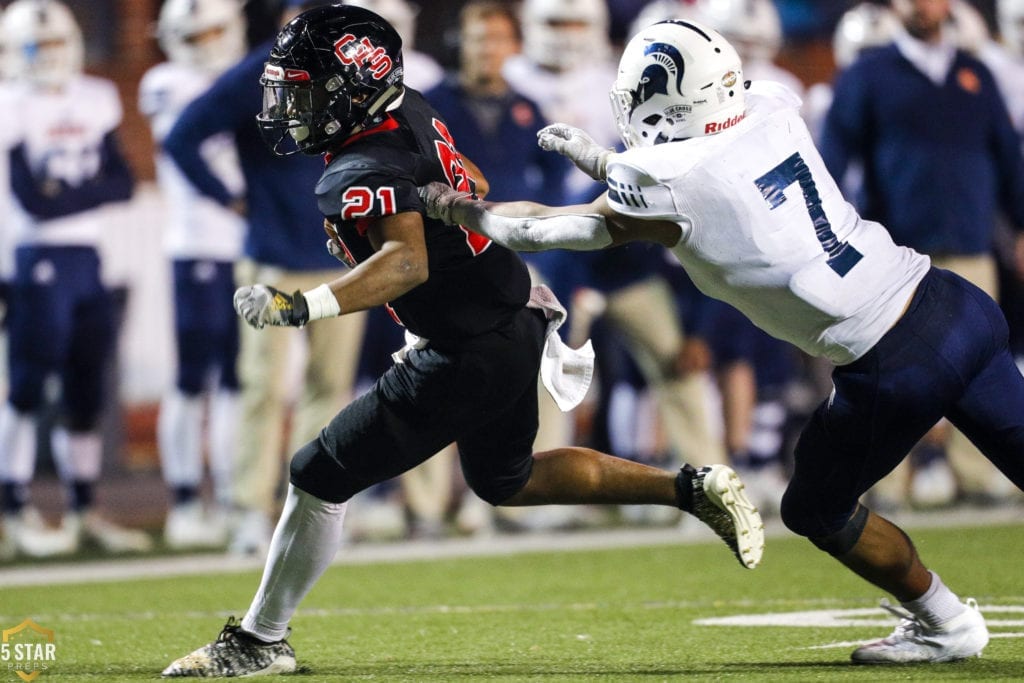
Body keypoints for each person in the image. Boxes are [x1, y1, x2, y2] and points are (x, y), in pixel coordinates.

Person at [161, 6, 764, 677]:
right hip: (511, 316)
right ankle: (690, 486)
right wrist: (443, 204)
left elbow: (406, 263)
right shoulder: (409, 107)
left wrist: (304, 304)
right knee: (509, 478)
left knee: (316, 473)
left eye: (303, 92)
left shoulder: (355, 169)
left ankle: (258, 639)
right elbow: (472, 180)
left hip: (467, 345)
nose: (288, 109)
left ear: (351, 87)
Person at [419, 18, 1024, 664]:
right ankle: (942, 623)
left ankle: (944, 621)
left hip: (892, 359)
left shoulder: (671, 180)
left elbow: (540, 230)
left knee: (817, 506)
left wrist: (453, 207)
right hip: (953, 301)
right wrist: (608, 162)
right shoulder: (768, 106)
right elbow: (707, 162)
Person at [162, 0, 369, 557]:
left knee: (330, 390)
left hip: (345, 258)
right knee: (265, 389)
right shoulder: (255, 75)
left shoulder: (355, 72)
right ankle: (248, 510)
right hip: (276, 258)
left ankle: (308, 507)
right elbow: (181, 137)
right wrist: (228, 198)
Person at [819, 0, 1024, 510]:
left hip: (972, 245)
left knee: (980, 365)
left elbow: (1007, 155)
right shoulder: (869, 73)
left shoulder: (976, 72)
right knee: (894, 370)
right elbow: (830, 161)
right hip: (895, 254)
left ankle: (976, 474)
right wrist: (822, 234)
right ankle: (887, 480)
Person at [0, 0, 152, 557]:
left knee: (86, 390)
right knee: (26, 389)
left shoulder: (95, 96)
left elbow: (124, 183)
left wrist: (64, 194)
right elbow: (29, 201)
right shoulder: (9, 102)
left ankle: (85, 509)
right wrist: (75, 194)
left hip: (88, 259)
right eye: (37, 47)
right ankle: (14, 510)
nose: (50, 57)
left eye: (57, 44)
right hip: (34, 258)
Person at [139, 0, 249, 549]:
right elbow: (186, 143)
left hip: (247, 244)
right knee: (192, 374)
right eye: (195, 32)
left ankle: (230, 494)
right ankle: (184, 498)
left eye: (215, 29)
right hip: (197, 241)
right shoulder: (167, 81)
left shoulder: (249, 73)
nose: (206, 41)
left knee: (236, 376)